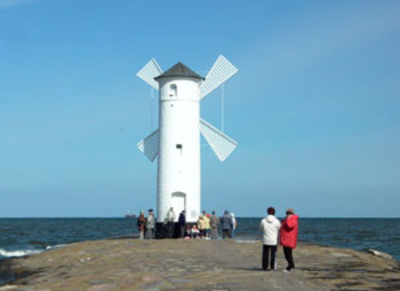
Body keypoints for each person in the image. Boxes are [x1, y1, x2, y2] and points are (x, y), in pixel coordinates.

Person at [260, 207, 281, 271]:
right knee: (273, 254)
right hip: (273, 240)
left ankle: (265, 267)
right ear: (274, 212)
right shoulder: (277, 221)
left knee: (265, 254)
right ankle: (272, 267)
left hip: (266, 239)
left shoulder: (263, 220)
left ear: (267, 212)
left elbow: (261, 228)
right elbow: (279, 228)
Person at [280, 208, 299, 272]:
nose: (288, 214)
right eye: (287, 213)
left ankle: (290, 266)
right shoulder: (286, 219)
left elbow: (289, 226)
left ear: (292, 214)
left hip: (289, 239)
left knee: (288, 254)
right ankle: (291, 265)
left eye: (290, 213)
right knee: (286, 254)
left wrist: (288, 218)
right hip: (285, 239)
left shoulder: (293, 220)